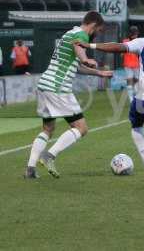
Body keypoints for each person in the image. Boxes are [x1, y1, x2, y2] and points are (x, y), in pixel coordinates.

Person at [76, 8, 144, 189]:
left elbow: (118, 47)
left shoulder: (142, 42)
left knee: (136, 125)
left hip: (142, 99)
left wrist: (91, 46)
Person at [24, 11, 113, 179]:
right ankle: (48, 156)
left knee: (48, 129)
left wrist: (98, 73)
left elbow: (76, 65)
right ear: (93, 26)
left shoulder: (70, 33)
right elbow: (79, 52)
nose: (97, 34)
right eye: (99, 30)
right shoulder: (82, 35)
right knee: (81, 128)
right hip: (58, 87)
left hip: (44, 84)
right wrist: (86, 58)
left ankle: (30, 169)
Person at [122, 26, 140, 102]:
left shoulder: (138, 41)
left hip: (136, 64)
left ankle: (135, 95)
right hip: (128, 64)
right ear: (131, 34)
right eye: (134, 34)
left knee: (137, 80)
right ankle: (131, 99)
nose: (136, 35)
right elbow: (122, 52)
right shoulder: (125, 41)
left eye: (136, 34)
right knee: (129, 80)